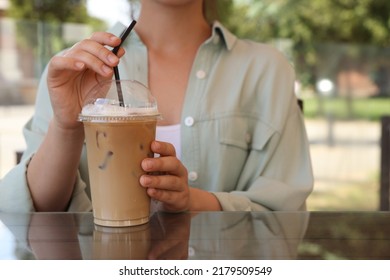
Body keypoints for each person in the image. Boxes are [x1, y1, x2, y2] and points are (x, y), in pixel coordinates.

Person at [0, 0, 313, 213]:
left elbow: (284, 211)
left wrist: (193, 201)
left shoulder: (268, 70)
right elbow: (36, 211)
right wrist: (68, 125)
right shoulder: (74, 67)